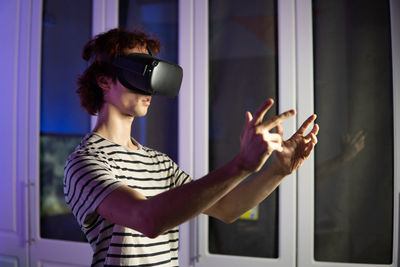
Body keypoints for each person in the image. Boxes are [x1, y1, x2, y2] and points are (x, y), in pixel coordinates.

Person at [64, 28, 319, 267]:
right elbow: (147, 219)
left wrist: (279, 171)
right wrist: (241, 165)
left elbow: (227, 208)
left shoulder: (159, 162)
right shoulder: (85, 162)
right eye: (140, 70)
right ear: (105, 81)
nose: (150, 85)